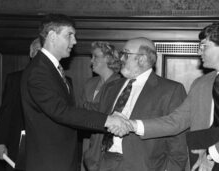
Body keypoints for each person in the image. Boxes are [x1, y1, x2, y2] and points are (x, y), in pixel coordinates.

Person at [20, 13, 131, 171]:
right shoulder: (39, 71)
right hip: (49, 161)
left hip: (60, 158)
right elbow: (61, 111)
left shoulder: (51, 68)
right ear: (52, 36)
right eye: (69, 35)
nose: (75, 41)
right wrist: (108, 120)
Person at [85, 37, 188, 171]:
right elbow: (99, 129)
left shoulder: (170, 90)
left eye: (126, 54)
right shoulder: (111, 87)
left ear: (142, 59)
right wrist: (93, 161)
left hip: (143, 165)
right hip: (104, 163)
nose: (120, 59)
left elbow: (178, 143)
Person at [129, 22, 219, 171]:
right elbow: (177, 121)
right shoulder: (200, 83)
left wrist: (211, 154)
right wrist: (133, 125)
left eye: (204, 46)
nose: (199, 51)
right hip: (201, 161)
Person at [0, 37, 41, 171]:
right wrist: (0, 142)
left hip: (48, 147)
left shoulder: (62, 81)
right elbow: (6, 113)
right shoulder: (15, 79)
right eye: (38, 51)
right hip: (18, 144)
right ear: (31, 53)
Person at [80, 41, 122, 171]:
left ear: (108, 59)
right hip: (87, 142)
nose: (91, 61)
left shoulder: (120, 84)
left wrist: (87, 108)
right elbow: (79, 110)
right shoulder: (89, 83)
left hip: (106, 145)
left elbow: (107, 112)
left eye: (95, 56)